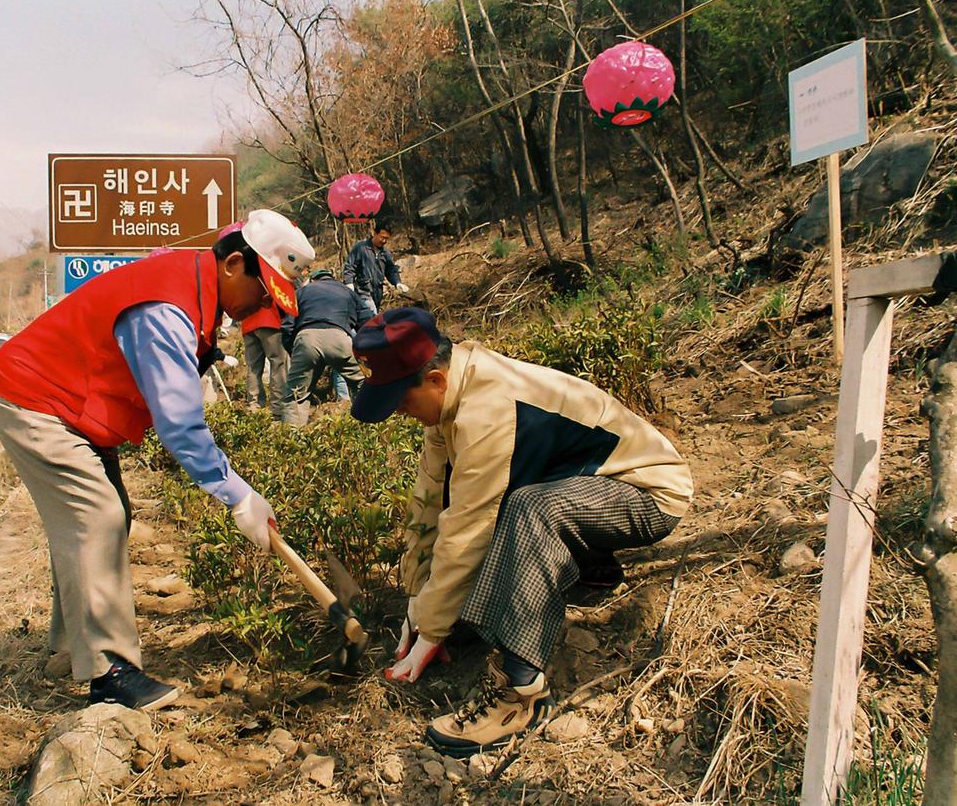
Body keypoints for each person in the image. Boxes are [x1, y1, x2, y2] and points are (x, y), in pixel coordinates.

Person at [0, 209, 312, 711]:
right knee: (97, 515)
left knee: (103, 516)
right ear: (232, 267)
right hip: (38, 398)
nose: (264, 304)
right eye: (264, 290)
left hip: (75, 404)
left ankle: (70, 648)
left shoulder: (192, 290)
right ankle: (109, 672)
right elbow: (179, 423)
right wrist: (237, 494)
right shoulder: (167, 307)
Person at [350, 308, 693, 758]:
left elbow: (470, 524)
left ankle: (520, 693)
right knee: (509, 510)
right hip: (586, 489)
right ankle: (590, 568)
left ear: (435, 380)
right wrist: (418, 601)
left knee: (530, 509)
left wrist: (433, 630)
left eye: (401, 401)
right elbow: (431, 502)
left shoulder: (487, 408)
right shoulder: (453, 393)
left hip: (646, 494)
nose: (399, 412)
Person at [281, 267, 365, 427]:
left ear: (313, 280)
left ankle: (291, 444)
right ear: (333, 279)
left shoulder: (302, 291)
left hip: (307, 339)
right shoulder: (346, 291)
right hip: (340, 338)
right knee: (362, 383)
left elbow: (287, 327)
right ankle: (368, 431)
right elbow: (367, 322)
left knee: (295, 396)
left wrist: (295, 352)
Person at [343, 218, 409, 326]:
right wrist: (349, 283)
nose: (384, 241)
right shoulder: (361, 248)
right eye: (382, 237)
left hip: (377, 293)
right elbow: (350, 266)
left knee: (368, 323)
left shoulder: (385, 253)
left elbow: (391, 270)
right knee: (374, 319)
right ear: (375, 233)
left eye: (386, 238)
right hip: (362, 291)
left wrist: (397, 282)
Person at [240, 302, 288, 419]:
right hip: (270, 321)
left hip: (248, 322)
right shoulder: (274, 282)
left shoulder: (246, 283)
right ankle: (277, 408)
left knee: (253, 367)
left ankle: (253, 405)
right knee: (278, 364)